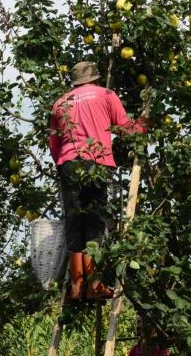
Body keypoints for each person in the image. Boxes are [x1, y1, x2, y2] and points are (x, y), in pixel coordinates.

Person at [49, 61, 147, 300]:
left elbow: (53, 143)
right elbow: (125, 127)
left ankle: (75, 286)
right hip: (96, 162)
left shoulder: (60, 103)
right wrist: (143, 126)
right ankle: (93, 285)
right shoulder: (106, 95)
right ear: (95, 79)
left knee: (74, 222)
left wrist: (63, 164)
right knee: (95, 222)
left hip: (68, 163)